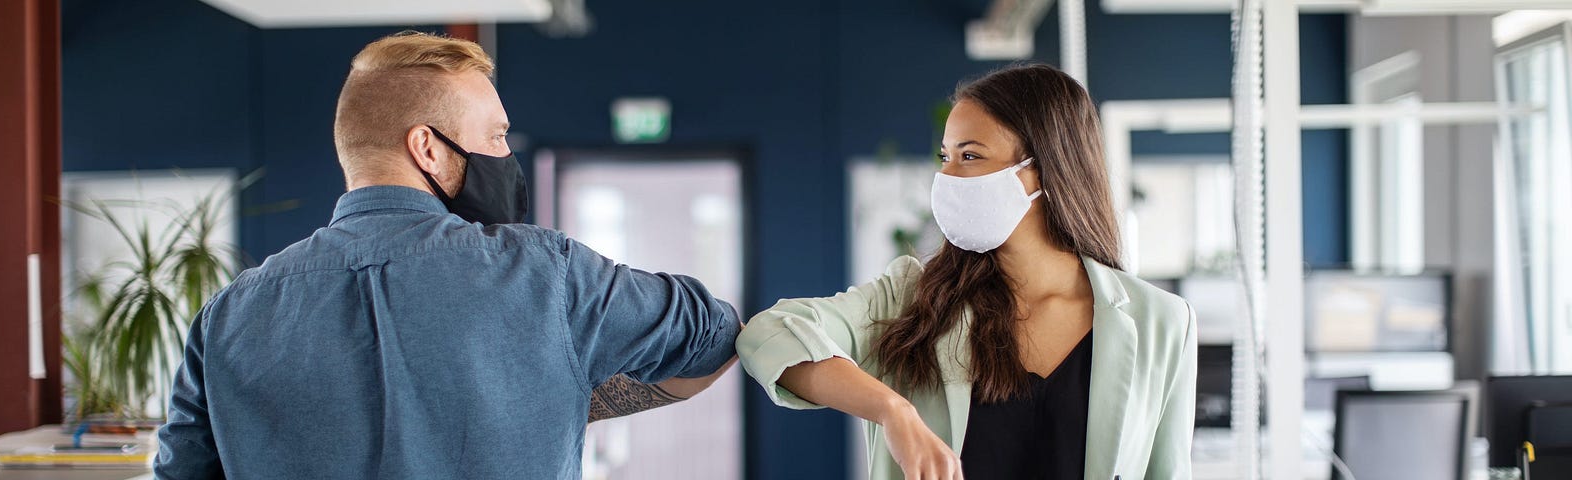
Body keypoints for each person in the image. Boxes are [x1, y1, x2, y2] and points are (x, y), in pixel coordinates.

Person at [154, 31, 740, 479]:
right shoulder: (545, 272)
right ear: (427, 148)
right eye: (496, 137)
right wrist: (570, 397)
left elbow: (182, 470)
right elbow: (714, 335)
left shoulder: (228, 314)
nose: (504, 154)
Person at [737, 64, 1196, 480]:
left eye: (970, 156)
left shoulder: (1161, 322)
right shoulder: (911, 300)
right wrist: (893, 411)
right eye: (945, 157)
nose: (947, 177)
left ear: (1042, 170)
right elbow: (769, 333)